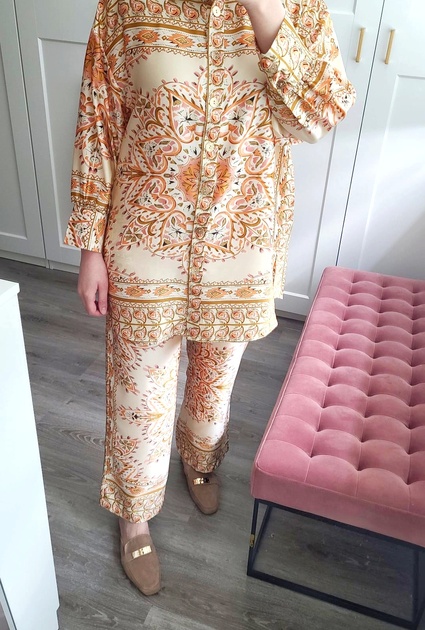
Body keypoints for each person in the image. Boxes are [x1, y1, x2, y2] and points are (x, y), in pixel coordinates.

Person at [65, 0, 355, 596]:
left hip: (241, 244)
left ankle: (199, 456)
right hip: (144, 240)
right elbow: (99, 122)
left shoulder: (297, 8)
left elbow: (318, 116)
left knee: (215, 379)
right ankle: (134, 514)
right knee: (139, 391)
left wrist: (264, 11)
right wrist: (91, 247)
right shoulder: (125, 7)